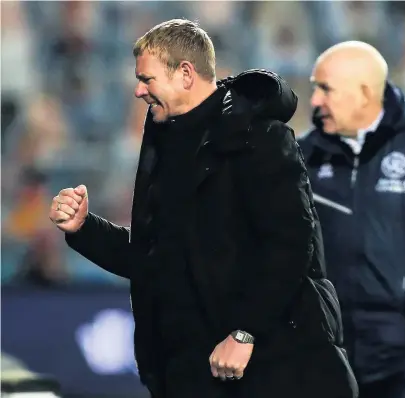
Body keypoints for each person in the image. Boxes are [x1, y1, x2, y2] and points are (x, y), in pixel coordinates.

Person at [49, 19, 358, 398]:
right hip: (194, 371)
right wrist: (84, 229)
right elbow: (156, 258)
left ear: (184, 74)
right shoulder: (167, 145)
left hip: (272, 366)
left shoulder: (258, 137)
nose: (137, 91)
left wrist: (245, 332)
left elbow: (291, 245)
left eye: (147, 80)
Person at [298, 41, 405, 398]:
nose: (315, 101)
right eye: (314, 88)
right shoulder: (300, 157)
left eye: (325, 89)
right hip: (324, 359)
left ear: (365, 93)